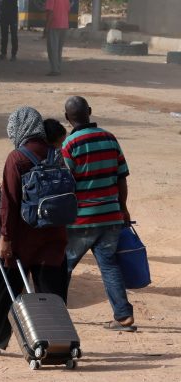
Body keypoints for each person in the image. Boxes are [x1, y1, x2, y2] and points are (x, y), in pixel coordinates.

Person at [0, 106, 68, 354]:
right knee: (52, 295)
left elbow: (9, 202)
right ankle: (58, 342)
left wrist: (5, 238)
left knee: (6, 291)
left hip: (22, 240)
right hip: (54, 237)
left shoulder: (17, 158)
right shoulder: (57, 155)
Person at [62, 96, 136, 332]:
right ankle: (123, 316)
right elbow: (121, 178)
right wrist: (122, 208)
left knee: (63, 266)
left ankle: (56, 315)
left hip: (81, 220)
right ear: (90, 112)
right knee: (109, 265)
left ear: (67, 118)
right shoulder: (109, 138)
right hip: (111, 216)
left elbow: (66, 185)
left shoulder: (69, 145)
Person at [44, 0, 71, 76]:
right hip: (64, 24)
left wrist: (46, 27)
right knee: (59, 48)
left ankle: (55, 69)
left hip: (54, 24)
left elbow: (50, 12)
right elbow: (68, 9)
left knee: (52, 48)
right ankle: (58, 67)